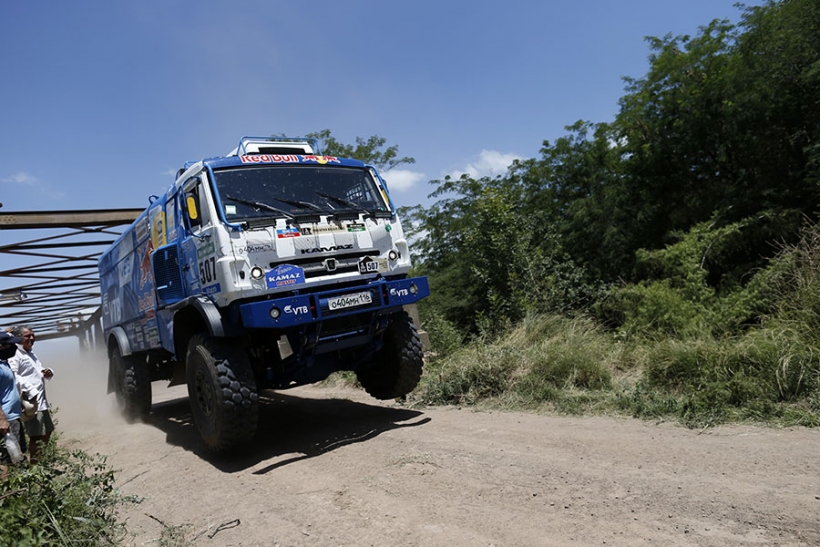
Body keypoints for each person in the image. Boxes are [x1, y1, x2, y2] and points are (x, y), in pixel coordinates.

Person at [8, 326, 54, 463]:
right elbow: (13, 376)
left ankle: (40, 461)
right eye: (27, 336)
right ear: (18, 338)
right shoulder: (15, 354)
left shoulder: (31, 353)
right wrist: (31, 390)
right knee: (36, 435)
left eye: (33, 335)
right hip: (31, 402)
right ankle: (36, 466)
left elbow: (36, 372)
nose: (32, 338)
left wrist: (48, 372)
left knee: (47, 431)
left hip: (41, 401)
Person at [0, 330, 25, 477]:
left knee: (17, 456)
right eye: (10, 345)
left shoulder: (4, 362)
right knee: (8, 460)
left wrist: (19, 402)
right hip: (6, 419)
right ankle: (10, 496)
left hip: (12, 416)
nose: (14, 348)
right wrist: (2, 419)